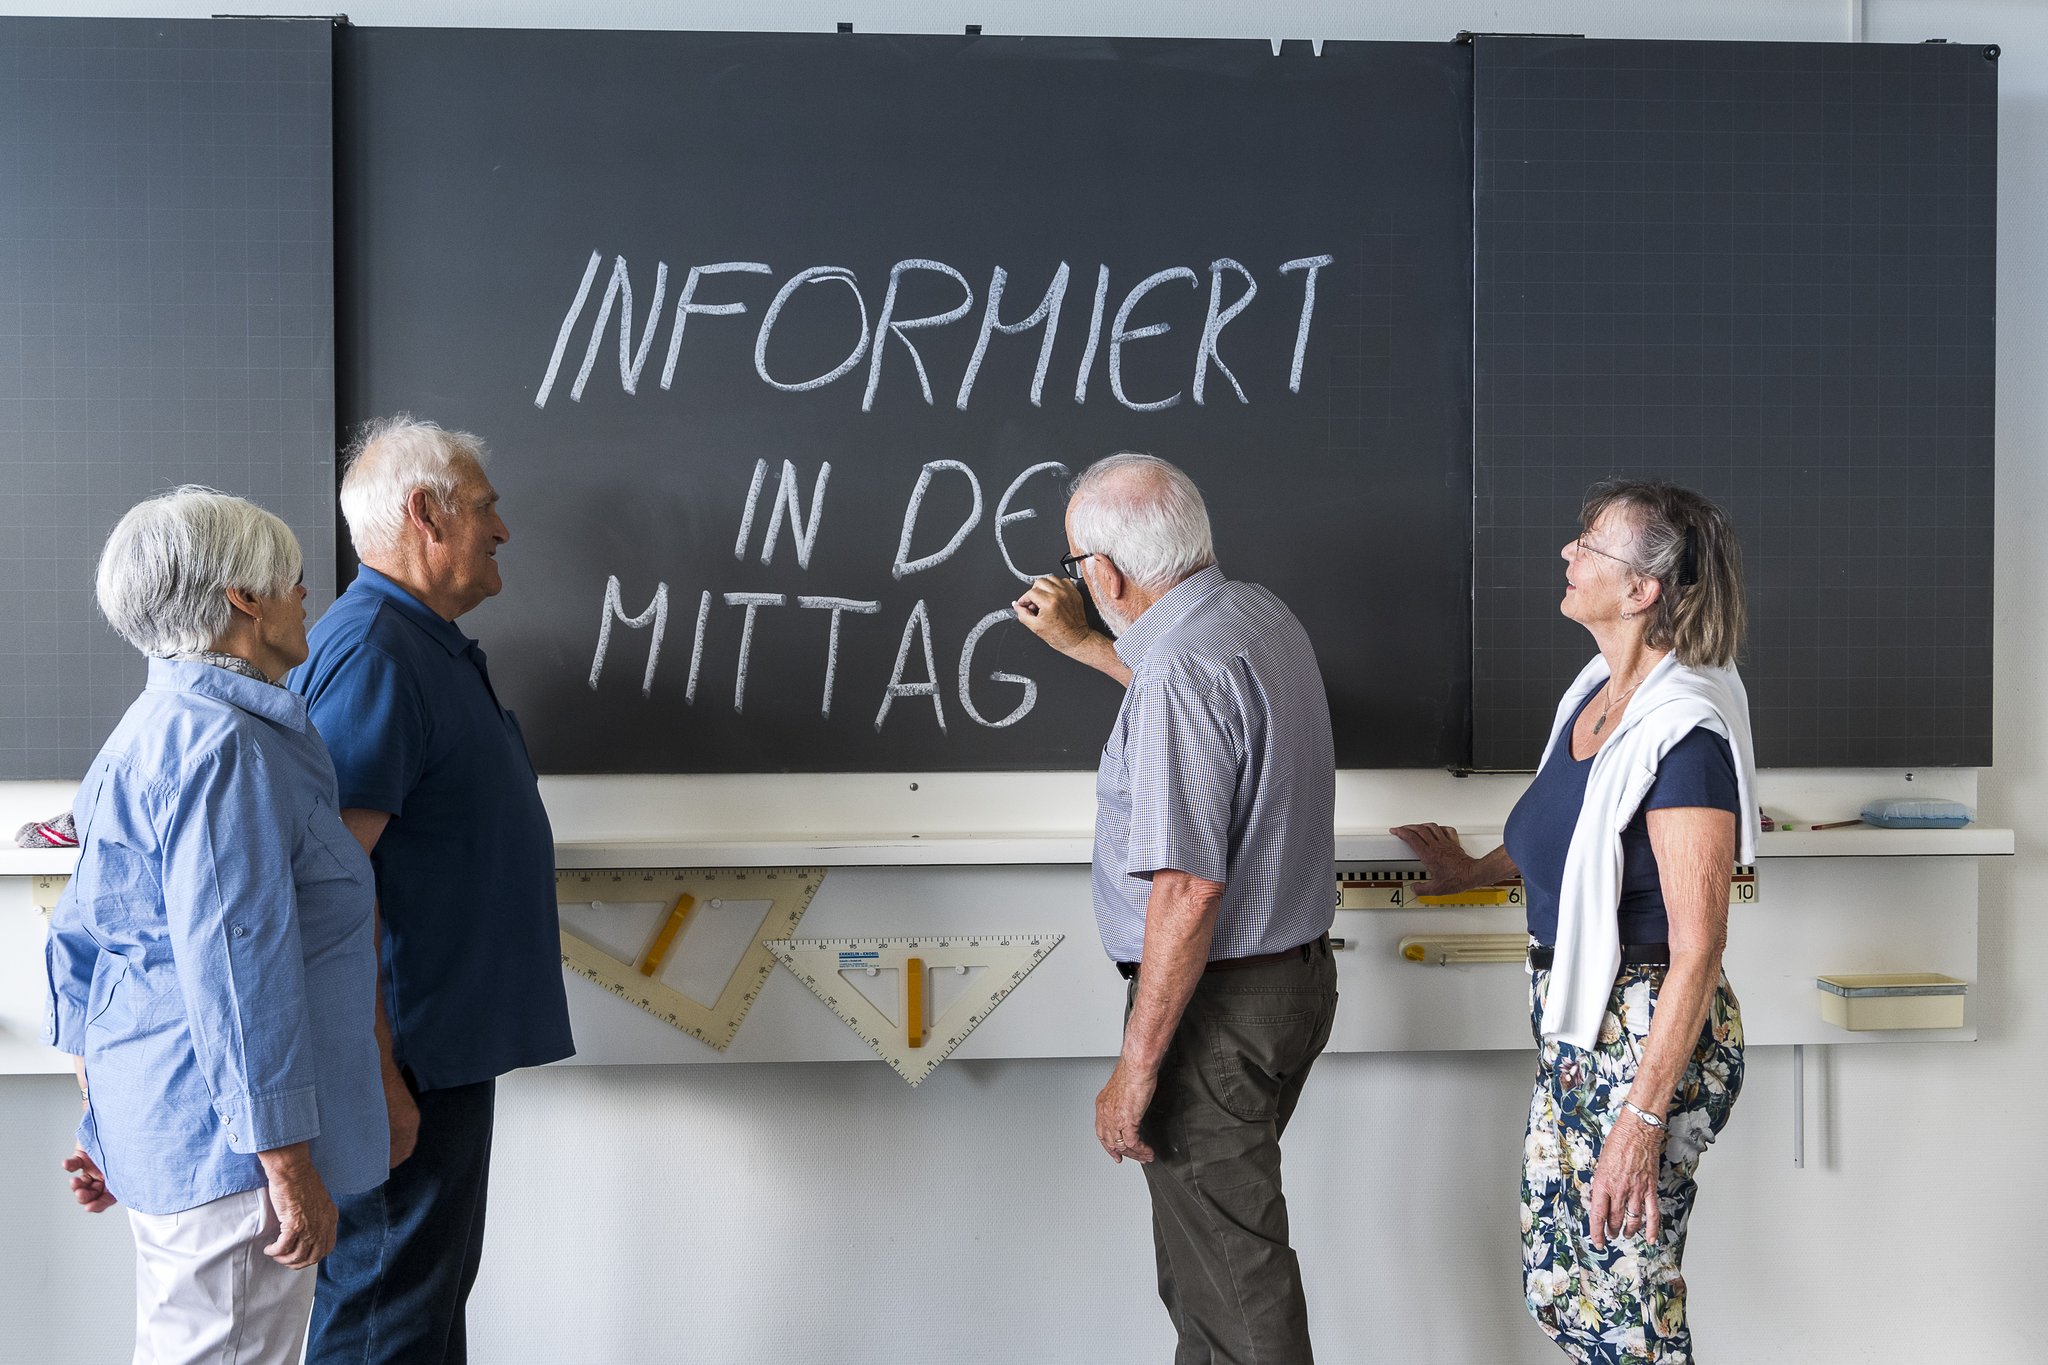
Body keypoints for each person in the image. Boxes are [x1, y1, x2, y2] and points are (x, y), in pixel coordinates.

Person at [1394, 480, 1756, 1364]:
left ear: (1641, 589)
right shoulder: (1597, 692)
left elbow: (1699, 946)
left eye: (1589, 543)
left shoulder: (1685, 738)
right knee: (1564, 1283)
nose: (1568, 553)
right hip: (1578, 1021)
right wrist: (1473, 870)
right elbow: (1574, 832)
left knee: (1627, 1302)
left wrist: (1641, 1118)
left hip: (1645, 1032)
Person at [45, 488, 385, 1364]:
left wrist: (105, 1113)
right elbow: (240, 972)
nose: (306, 594)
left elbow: (83, 943)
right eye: (293, 577)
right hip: (231, 1150)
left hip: (181, 1122)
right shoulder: (224, 745)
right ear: (244, 596)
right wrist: (287, 1165)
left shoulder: (151, 727)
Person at [1013, 452, 1339, 1363]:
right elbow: (1202, 716)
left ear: (1106, 572)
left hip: (1216, 1009)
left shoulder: (1181, 673)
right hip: (1288, 982)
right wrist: (1089, 647)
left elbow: (1189, 889)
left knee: (1232, 1288)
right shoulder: (1253, 617)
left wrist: (1136, 1067)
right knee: (1203, 1269)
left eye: (1079, 563)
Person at [291, 417, 574, 1365]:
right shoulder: (376, 652)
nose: (502, 530)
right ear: (427, 514)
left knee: (420, 1311)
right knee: (387, 1317)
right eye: (486, 508)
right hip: (404, 1062)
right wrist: (373, 1073)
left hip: (434, 1054)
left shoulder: (420, 641)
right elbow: (332, 884)